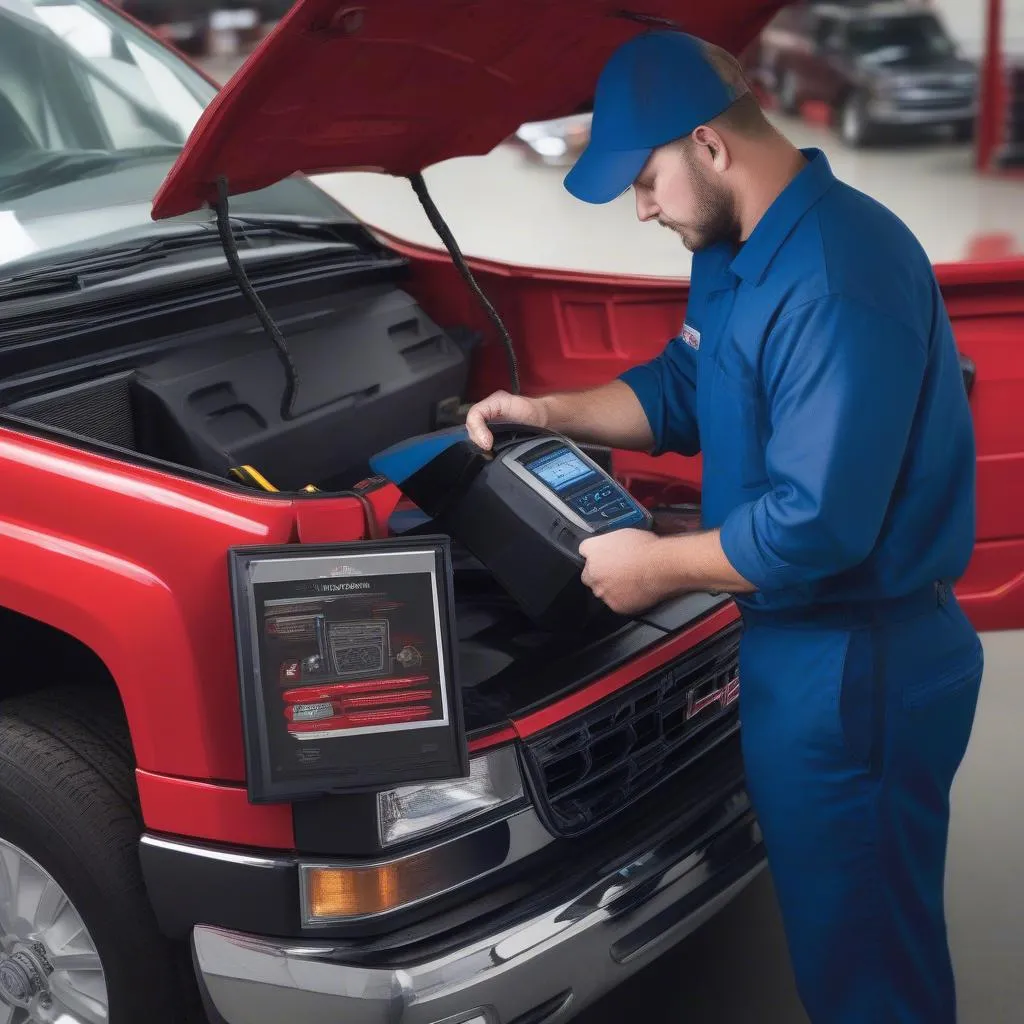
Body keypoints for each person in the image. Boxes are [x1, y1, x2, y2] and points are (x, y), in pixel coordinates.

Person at [465, 29, 982, 1024]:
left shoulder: (837, 274)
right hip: (799, 648)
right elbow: (687, 385)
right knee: (842, 934)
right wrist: (547, 411)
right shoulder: (736, 247)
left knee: (869, 966)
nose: (644, 207)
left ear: (708, 145)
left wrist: (655, 568)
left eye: (648, 179)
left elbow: (818, 526)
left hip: (859, 662)